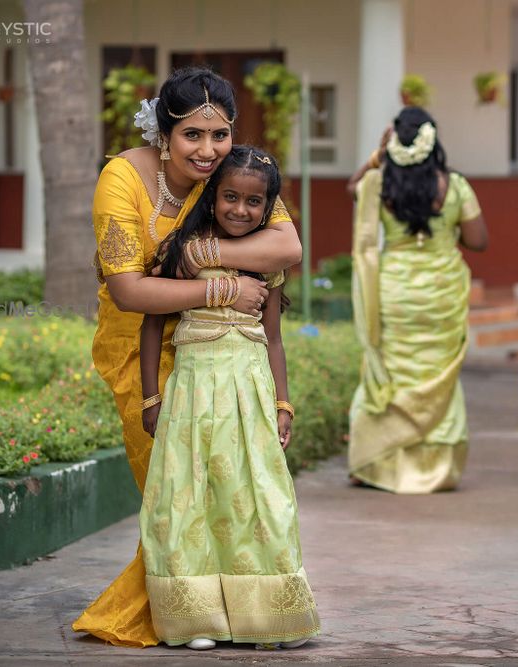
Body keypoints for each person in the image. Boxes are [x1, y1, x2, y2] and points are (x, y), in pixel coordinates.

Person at [74, 68, 302, 648]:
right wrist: (218, 286)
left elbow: (287, 246)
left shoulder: (229, 174)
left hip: (227, 357)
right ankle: (188, 609)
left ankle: (230, 611)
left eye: (219, 135)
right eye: (192, 137)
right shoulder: (121, 180)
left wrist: (200, 252)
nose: (207, 151)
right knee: (175, 492)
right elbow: (129, 290)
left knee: (228, 489)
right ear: (163, 134)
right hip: (141, 350)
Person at [139, 145, 319, 650]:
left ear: (269, 206)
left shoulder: (267, 262)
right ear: (212, 197)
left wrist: (283, 404)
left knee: (260, 498)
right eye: (230, 198)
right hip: (193, 391)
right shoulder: (186, 249)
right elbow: (153, 324)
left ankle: (268, 616)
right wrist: (151, 398)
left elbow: (275, 339)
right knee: (187, 497)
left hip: (249, 392)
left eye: (254, 202)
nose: (240, 210)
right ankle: (196, 618)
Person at [346, 107, 488, 494]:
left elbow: (351, 189)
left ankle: (373, 460)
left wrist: (376, 158)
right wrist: (446, 228)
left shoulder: (380, 183)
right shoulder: (455, 186)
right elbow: (479, 241)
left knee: (391, 372)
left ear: (394, 143)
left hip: (395, 292)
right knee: (437, 376)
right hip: (442, 293)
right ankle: (435, 465)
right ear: (432, 141)